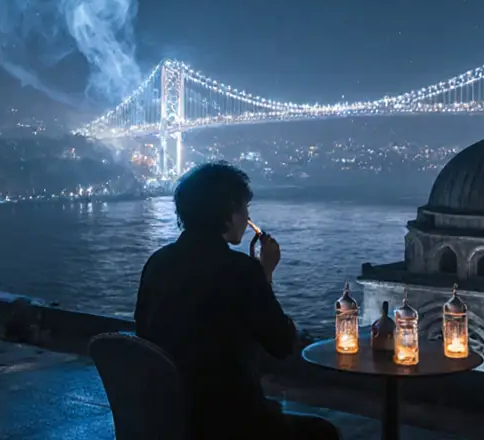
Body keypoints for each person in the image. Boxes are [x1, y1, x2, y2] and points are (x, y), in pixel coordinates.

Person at [134, 162, 341, 440]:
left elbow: (144, 331)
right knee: (323, 433)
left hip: (166, 415)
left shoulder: (157, 263)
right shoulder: (241, 270)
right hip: (229, 420)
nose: (247, 219)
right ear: (229, 211)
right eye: (245, 209)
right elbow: (281, 344)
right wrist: (264, 274)